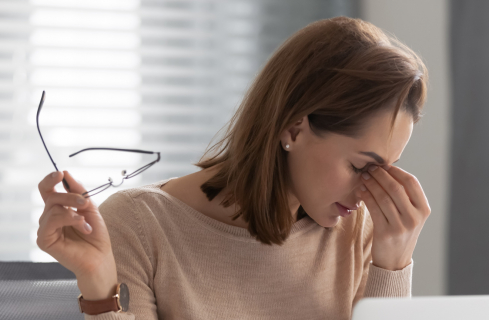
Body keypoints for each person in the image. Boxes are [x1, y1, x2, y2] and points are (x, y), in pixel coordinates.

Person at [36, 16, 431, 319]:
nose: (371, 192)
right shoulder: (141, 226)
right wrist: (100, 287)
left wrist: (392, 266)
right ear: (294, 128)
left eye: (388, 169)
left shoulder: (357, 234)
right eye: (363, 167)